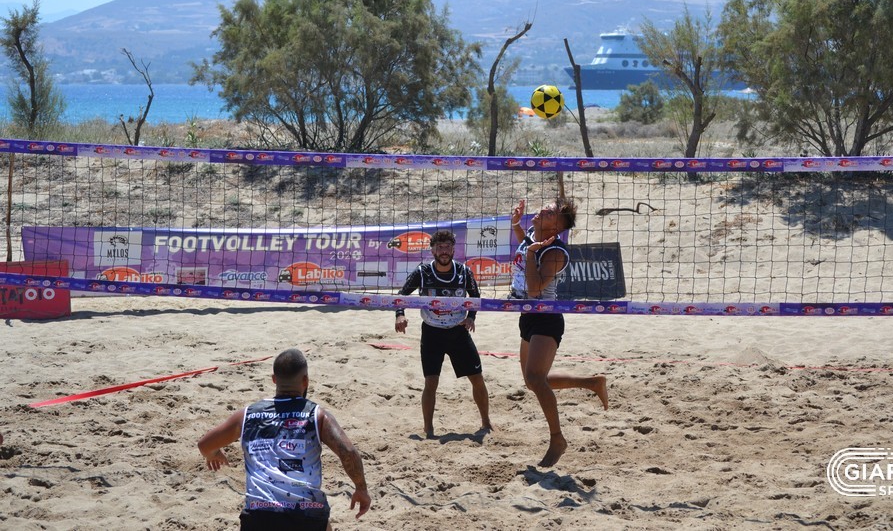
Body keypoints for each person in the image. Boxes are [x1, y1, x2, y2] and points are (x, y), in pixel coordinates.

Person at [197, 348, 371, 531]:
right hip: (306, 515)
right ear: (305, 380)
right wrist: (361, 488)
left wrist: (213, 454)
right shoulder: (317, 415)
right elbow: (348, 451)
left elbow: (204, 445)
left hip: (259, 516)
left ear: (274, 379)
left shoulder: (247, 415)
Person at [510, 198, 608, 468]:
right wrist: (516, 225)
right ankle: (592, 383)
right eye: (546, 207)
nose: (542, 209)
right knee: (532, 381)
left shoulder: (554, 252)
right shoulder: (534, 236)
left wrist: (532, 254)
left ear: (555, 228)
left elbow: (534, 290)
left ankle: (557, 439)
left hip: (546, 318)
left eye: (550, 212)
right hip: (528, 316)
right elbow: (525, 244)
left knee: (535, 378)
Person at [395, 229, 492, 438]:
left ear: (454, 249)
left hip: (458, 331)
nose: (444, 251)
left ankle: (486, 423)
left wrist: (471, 317)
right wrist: (399, 314)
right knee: (431, 382)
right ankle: (429, 430)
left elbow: (475, 296)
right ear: (432, 250)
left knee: (477, 378)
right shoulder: (423, 272)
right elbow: (401, 295)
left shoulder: (464, 272)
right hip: (432, 333)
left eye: (448, 247)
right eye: (440, 247)